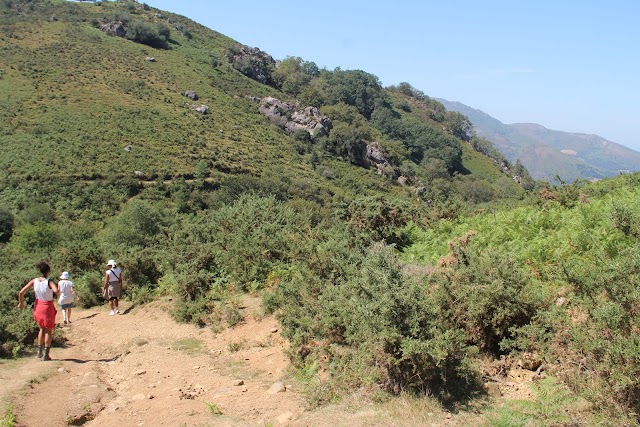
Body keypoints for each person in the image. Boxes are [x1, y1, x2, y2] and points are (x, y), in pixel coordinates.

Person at [17, 261, 59, 361]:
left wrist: (21, 303)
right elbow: (56, 291)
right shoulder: (49, 281)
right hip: (47, 306)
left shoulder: (34, 281)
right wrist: (59, 293)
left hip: (38, 305)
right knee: (49, 330)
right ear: (48, 271)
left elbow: (21, 292)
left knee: (41, 329)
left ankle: (39, 351)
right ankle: (46, 354)